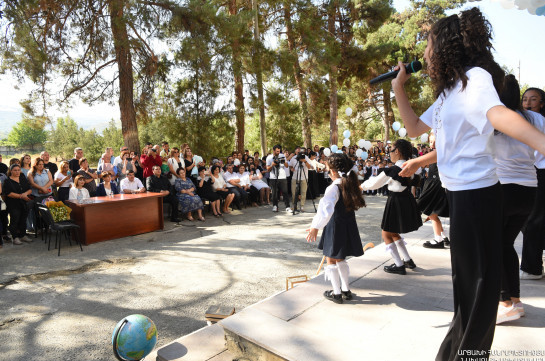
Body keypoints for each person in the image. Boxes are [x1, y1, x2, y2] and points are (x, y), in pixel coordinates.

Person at [392, 8, 545, 361]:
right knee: (467, 287)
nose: (425, 52)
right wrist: (399, 87)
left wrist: (541, 142)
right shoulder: (451, 89)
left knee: (479, 288)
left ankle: (468, 356)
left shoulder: (476, 78)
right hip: (460, 196)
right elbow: (415, 127)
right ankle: (453, 354)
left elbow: (499, 115)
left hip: (479, 195)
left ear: (446, 46)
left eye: (429, 43)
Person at [494, 75, 545, 324]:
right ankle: (515, 301)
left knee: (494, 245)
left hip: (502, 187)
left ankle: (505, 303)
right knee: (505, 244)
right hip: (529, 187)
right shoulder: (536, 118)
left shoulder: (496, 116)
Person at [306, 153, 366, 304]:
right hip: (348, 224)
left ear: (333, 171)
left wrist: (315, 227)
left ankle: (337, 293)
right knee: (341, 257)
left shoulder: (333, 188)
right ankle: (346, 289)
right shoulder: (350, 184)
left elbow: (325, 210)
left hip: (335, 226)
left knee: (331, 258)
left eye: (327, 170)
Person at [361, 139, 421, 275]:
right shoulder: (412, 167)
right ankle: (407, 260)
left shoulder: (394, 169)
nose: (390, 154)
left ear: (397, 152)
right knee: (393, 232)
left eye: (391, 151)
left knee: (386, 233)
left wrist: (361, 186)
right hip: (406, 199)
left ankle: (399, 265)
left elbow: (375, 182)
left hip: (395, 201)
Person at [520, 87, 545, 280]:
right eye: (525, 99)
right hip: (532, 172)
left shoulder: (538, 122)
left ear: (542, 103)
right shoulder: (521, 121)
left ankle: (532, 267)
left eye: (533, 99)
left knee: (534, 220)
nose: (528, 103)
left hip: (541, 172)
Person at [417, 134, 450, 249]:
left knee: (432, 213)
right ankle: (443, 237)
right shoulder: (434, 154)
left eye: (435, 141)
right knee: (432, 213)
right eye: (431, 142)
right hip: (432, 183)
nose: (433, 144)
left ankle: (438, 239)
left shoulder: (442, 153)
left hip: (436, 185)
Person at [3, 164, 33, 245]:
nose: (17, 172)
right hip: (13, 204)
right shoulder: (8, 181)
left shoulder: (23, 179)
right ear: (11, 171)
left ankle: (22, 235)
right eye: (15, 170)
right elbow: (9, 193)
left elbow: (30, 189)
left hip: (24, 203)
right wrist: (21, 196)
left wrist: (24, 195)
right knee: (14, 220)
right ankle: (15, 237)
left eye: (18, 170)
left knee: (23, 220)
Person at [266, 145, 291, 213]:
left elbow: (287, 166)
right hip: (273, 177)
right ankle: (275, 206)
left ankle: (287, 207)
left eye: (279, 151)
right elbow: (268, 169)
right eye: (277, 151)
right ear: (273, 150)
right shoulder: (269, 157)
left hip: (282, 176)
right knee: (274, 193)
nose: (278, 152)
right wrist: (272, 165)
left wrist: (284, 161)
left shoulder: (282, 156)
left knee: (285, 192)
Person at [289, 148, 311, 212]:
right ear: (295, 153)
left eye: (300, 152)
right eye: (298, 153)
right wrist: (291, 168)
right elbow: (290, 165)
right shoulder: (293, 158)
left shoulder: (306, 157)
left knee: (303, 192)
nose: (299, 154)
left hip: (304, 177)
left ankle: (302, 206)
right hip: (295, 177)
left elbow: (309, 167)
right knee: (294, 192)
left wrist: (305, 161)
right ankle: (294, 205)